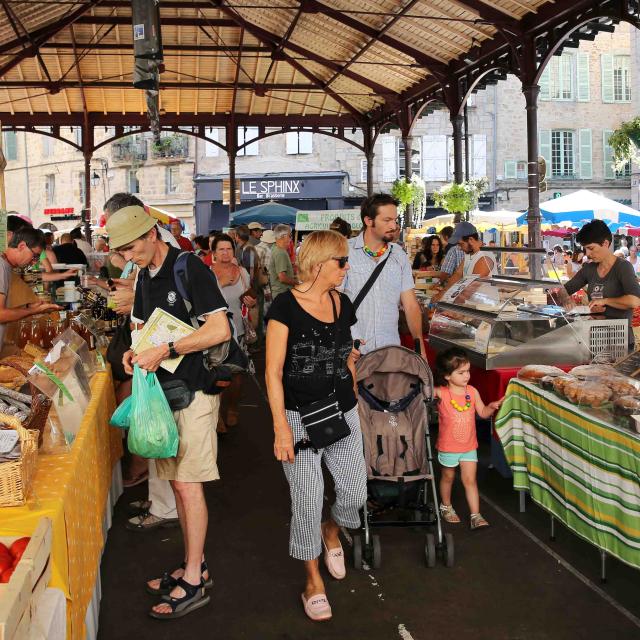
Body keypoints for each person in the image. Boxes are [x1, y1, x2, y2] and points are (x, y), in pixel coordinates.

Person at [107, 205, 230, 619]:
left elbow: (220, 329)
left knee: (187, 485)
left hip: (194, 392)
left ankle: (194, 577)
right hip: (164, 394)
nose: (127, 258)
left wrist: (169, 349)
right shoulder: (143, 276)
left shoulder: (189, 268)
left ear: (151, 234)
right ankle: (195, 564)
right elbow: (141, 329)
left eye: (131, 248)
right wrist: (132, 353)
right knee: (178, 485)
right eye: (121, 251)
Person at [265, 230, 367, 622]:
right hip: (297, 416)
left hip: (341, 412)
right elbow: (273, 372)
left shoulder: (342, 303)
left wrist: (351, 379)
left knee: (355, 492)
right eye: (341, 261)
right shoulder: (285, 307)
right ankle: (313, 581)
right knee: (306, 501)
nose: (346, 267)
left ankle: (331, 531)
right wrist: (280, 428)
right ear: (321, 263)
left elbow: (347, 352)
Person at [343, 194, 424, 355]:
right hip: (354, 352)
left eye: (395, 220)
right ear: (368, 221)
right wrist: (341, 342)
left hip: (389, 351)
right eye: (387, 220)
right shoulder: (345, 251)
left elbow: (410, 305)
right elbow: (331, 301)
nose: (393, 226)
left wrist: (419, 345)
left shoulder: (399, 255)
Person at [434, 347, 502, 530]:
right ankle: (446, 506)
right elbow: (422, 394)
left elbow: (482, 413)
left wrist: (491, 406)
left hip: (469, 446)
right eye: (461, 372)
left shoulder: (472, 391)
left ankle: (476, 515)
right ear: (447, 376)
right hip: (448, 446)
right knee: (447, 476)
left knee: (470, 480)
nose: (466, 376)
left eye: (468, 371)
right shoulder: (440, 393)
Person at [564, 220, 640, 351]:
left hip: (620, 340)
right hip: (594, 338)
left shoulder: (623, 267)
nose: (587, 253)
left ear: (605, 243)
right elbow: (564, 290)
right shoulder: (589, 268)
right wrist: (566, 299)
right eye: (585, 248)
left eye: (591, 248)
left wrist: (605, 301)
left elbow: (634, 301)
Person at [210, 233, 256, 432]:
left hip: (238, 329)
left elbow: (250, 296)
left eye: (229, 249)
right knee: (217, 374)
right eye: (221, 249)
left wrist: (251, 302)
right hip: (215, 331)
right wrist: (221, 284)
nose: (226, 253)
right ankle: (217, 415)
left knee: (237, 374)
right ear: (214, 253)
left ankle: (232, 409)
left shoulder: (242, 272)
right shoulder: (208, 274)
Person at [0, 228, 60, 351]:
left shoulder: (6, 266)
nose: (34, 262)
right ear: (22, 246)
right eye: (35, 256)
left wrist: (30, 307)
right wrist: (32, 310)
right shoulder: (1, 266)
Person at [438, 221, 497, 294]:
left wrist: (445, 296)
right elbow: (458, 274)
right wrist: (443, 293)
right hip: (471, 303)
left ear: (471, 240)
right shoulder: (468, 254)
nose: (459, 248)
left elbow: (471, 287)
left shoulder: (484, 257)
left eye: (461, 244)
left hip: (484, 304)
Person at [269, 224, 297, 300]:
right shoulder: (280, 252)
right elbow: (282, 278)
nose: (291, 239)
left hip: (279, 293)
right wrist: (298, 283)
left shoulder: (275, 247)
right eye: (290, 236)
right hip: (282, 293)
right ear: (284, 236)